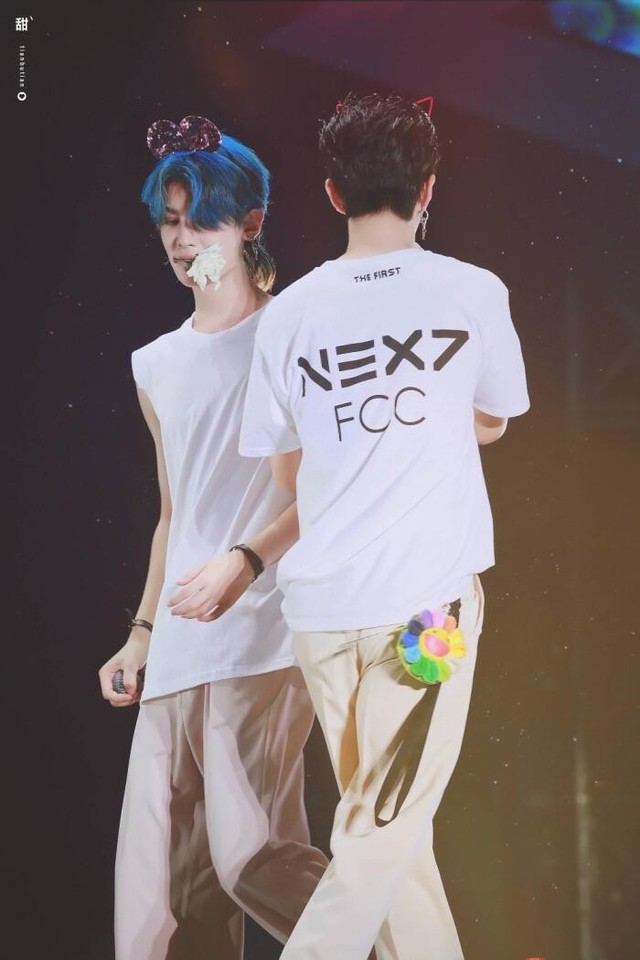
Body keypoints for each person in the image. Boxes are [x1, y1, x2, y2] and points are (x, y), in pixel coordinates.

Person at [237, 93, 530, 960]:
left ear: (333, 192)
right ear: (427, 188)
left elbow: (285, 470)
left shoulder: (289, 315)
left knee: (393, 844)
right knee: (380, 838)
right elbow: (494, 418)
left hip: (323, 620)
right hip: (429, 613)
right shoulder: (472, 291)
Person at [98, 114, 327, 960]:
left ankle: (402, 945)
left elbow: (325, 488)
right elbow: (176, 510)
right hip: (179, 644)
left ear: (250, 222)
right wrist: (141, 631)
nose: (182, 238)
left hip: (265, 632)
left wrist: (248, 560)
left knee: (251, 857)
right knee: (162, 910)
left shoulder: (295, 331)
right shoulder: (154, 364)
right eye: (169, 220)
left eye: (201, 219)